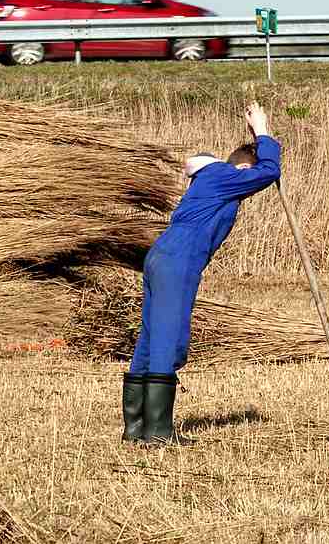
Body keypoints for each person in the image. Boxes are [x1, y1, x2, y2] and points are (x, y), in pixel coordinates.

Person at [122, 102, 280, 445]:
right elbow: (269, 171)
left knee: (151, 338)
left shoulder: (210, 180)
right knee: (169, 341)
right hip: (177, 261)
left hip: (162, 256)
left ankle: (136, 429)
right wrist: (263, 131)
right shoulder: (223, 176)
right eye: (247, 176)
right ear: (242, 168)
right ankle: (158, 433)